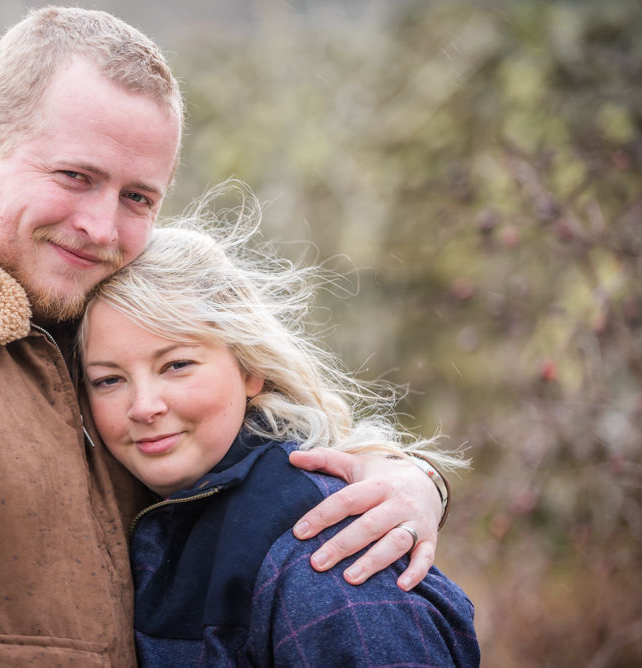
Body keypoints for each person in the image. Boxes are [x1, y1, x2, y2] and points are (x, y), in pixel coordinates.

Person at [0, 6, 452, 667]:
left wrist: (406, 480)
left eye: (138, 197)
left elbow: (244, 444)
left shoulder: (95, 310)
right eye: (74, 176)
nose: (101, 228)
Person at [79, 206, 480, 666]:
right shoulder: (153, 513)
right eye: (108, 380)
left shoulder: (322, 546)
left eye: (176, 365)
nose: (143, 406)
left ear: (250, 369)